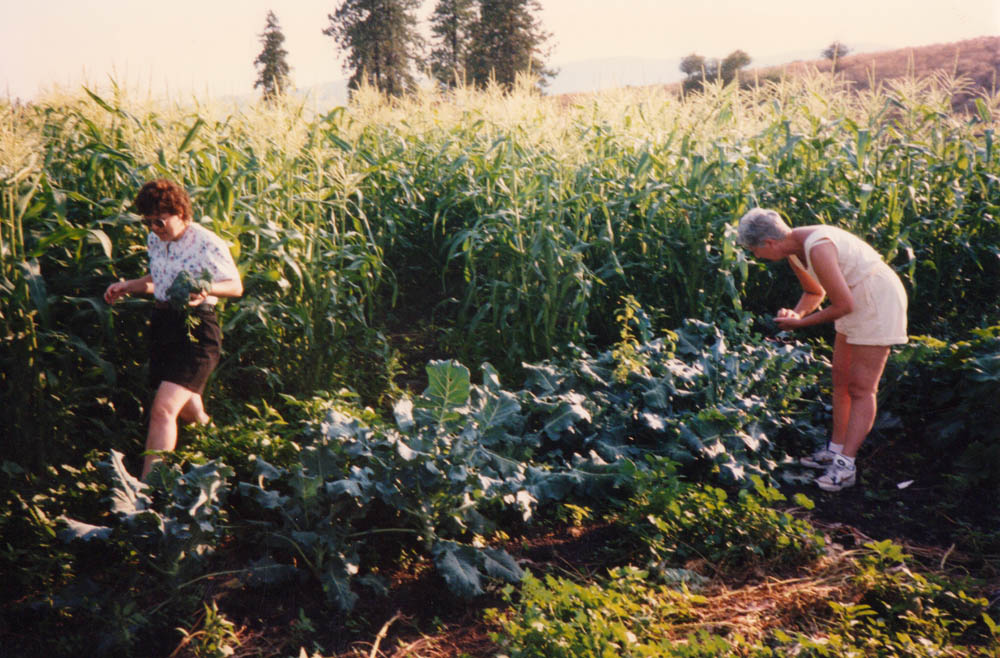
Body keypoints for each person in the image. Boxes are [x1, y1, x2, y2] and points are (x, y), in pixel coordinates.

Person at [736, 207, 908, 491]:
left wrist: (800, 326)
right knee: (840, 381)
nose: (756, 257)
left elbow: (843, 306)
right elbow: (815, 293)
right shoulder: (793, 247)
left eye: (754, 250)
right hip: (855, 299)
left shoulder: (817, 247)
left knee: (862, 389)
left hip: (877, 301)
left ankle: (845, 466)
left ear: (769, 243)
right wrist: (796, 315)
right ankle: (835, 449)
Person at [104, 179, 242, 480]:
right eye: (148, 222)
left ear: (180, 212)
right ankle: (228, 449)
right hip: (165, 327)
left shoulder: (207, 242)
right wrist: (127, 286)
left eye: (160, 221)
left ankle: (149, 491)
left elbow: (236, 286)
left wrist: (206, 289)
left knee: (163, 409)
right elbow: (157, 281)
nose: (154, 228)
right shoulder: (157, 240)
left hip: (197, 331)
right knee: (189, 409)